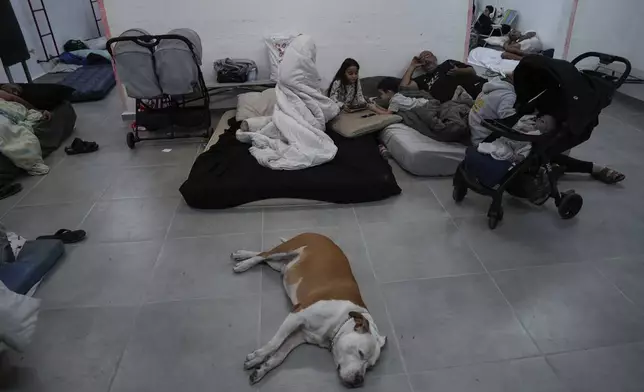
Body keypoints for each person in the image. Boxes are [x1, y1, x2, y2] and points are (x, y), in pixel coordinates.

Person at [468, 76, 625, 184]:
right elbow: (511, 123)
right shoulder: (508, 97)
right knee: (543, 151)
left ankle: (591, 168)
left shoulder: (494, 86)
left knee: (544, 151)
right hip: (491, 138)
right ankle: (594, 168)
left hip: (484, 134)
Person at [400, 51, 486, 103]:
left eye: (427, 55)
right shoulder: (423, 79)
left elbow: (472, 71)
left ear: (435, 58)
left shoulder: (447, 64)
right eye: (421, 58)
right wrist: (412, 66)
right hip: (458, 103)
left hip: (478, 89)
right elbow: (403, 88)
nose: (425, 59)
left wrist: (459, 71)